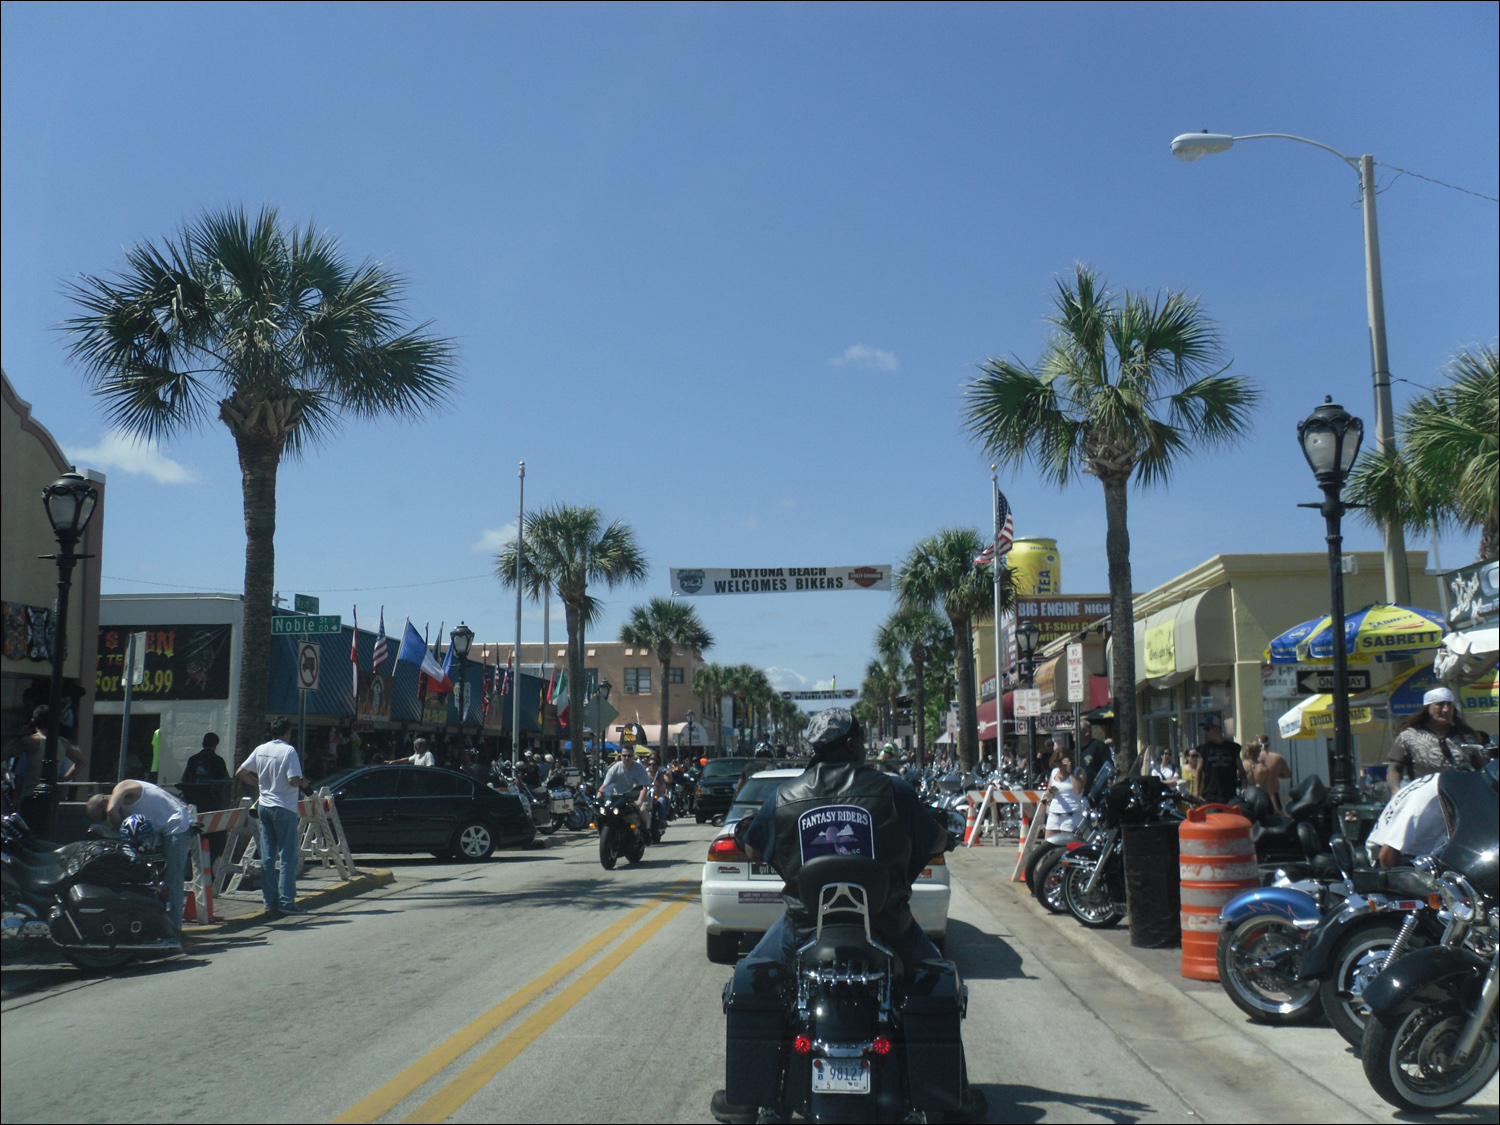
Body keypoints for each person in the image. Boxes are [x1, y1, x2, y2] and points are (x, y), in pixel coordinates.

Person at [733, 707, 946, 970]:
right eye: (862, 741)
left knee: (752, 973)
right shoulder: (895, 791)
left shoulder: (783, 797)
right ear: (852, 743)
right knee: (935, 976)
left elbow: (753, 850)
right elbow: (935, 841)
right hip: (888, 925)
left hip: (805, 927)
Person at [85, 779, 194, 935]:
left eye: (102, 815)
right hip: (162, 829)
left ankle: (174, 930)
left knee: (173, 878)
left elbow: (111, 810)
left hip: (177, 825)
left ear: (104, 801)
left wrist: (118, 831)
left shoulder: (123, 786)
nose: (106, 819)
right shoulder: (126, 810)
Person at [235, 719, 309, 917]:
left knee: (267, 856)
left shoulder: (261, 749)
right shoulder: (288, 751)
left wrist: (259, 785)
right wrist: (304, 782)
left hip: (264, 806)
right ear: (288, 733)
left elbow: (241, 773)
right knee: (287, 857)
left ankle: (270, 900)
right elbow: (293, 780)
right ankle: (287, 901)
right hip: (284, 807)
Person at [1386, 687, 1486, 795]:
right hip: (1424, 799)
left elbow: (1481, 770)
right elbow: (1394, 769)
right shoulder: (1409, 737)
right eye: (1440, 704)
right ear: (1428, 707)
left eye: (1449, 704)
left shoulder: (1466, 737)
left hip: (1460, 798)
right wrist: (1395, 791)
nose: (1446, 709)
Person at [1364, 772, 1447, 867]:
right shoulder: (1423, 803)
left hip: (1420, 855)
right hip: (1394, 862)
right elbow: (1387, 855)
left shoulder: (1436, 781)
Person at [3, 706, 86, 799]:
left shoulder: (30, 741)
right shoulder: (63, 742)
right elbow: (81, 762)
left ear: (34, 721)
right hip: (51, 796)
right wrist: (63, 779)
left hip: (31, 795)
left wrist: (18, 736)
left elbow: (4, 755)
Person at [598, 746, 653, 835]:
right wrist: (599, 799)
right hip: (619, 798)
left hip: (636, 798)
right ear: (620, 756)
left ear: (633, 756)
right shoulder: (614, 768)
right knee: (604, 812)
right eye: (624, 755)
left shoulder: (639, 769)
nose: (626, 758)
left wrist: (639, 801)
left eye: (629, 755)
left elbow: (644, 787)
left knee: (642, 810)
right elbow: (604, 786)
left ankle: (646, 831)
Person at [1193, 716, 1244, 804]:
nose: (1205, 732)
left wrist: (1244, 787)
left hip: (1230, 795)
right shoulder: (1204, 748)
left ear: (1216, 729)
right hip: (1210, 795)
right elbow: (1198, 771)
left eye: (1207, 729)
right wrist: (1196, 792)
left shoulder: (1233, 748)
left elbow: (1241, 770)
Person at [179, 732, 230, 811]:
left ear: (203, 743)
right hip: (211, 802)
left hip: (192, 801)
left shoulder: (193, 759)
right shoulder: (218, 760)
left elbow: (185, 780)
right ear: (216, 745)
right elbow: (225, 782)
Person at [1244, 734, 1291, 812]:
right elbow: (1287, 775)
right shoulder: (1277, 758)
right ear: (1268, 744)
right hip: (1270, 798)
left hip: (1250, 797)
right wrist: (1276, 774)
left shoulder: (1245, 764)